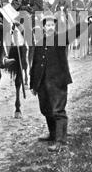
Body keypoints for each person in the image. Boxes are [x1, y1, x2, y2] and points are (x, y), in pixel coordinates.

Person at [30, 13, 85, 152]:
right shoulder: (39, 43)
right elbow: (35, 65)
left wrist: (85, 22)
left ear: (55, 26)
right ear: (43, 27)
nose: (49, 27)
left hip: (57, 82)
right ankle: (53, 134)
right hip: (42, 83)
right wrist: (33, 85)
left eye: (52, 25)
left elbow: (73, 33)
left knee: (58, 111)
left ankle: (60, 141)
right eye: (47, 25)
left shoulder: (60, 38)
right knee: (46, 109)